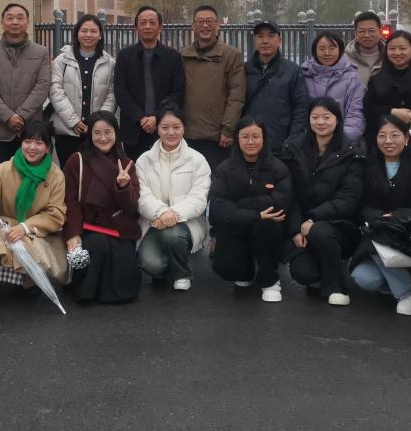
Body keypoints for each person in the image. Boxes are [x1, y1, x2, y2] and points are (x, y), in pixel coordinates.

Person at [350, 115, 411, 315]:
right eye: (382, 136)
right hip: (376, 239)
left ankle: (406, 293)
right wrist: (379, 219)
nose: (388, 141)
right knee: (364, 278)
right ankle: (405, 286)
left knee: (381, 236)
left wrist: (396, 217)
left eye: (394, 135)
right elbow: (360, 205)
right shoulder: (367, 169)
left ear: (406, 138)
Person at [0, 118, 67, 296]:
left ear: (47, 147)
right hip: (4, 224)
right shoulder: (5, 168)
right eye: (27, 141)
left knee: (24, 244)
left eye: (39, 143)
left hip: (36, 231)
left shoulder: (56, 175)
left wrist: (25, 227)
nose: (32, 147)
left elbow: (56, 214)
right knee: (1, 240)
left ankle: (27, 281)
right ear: (21, 143)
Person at [281, 96, 364, 306]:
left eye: (327, 117)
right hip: (302, 225)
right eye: (315, 117)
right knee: (305, 274)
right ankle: (324, 267)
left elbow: (349, 199)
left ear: (337, 119)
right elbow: (290, 194)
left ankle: (337, 287)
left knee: (319, 231)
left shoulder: (351, 152)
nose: (320, 122)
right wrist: (296, 229)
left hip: (339, 225)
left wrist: (313, 219)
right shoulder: (294, 148)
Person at [209, 116, 292, 302]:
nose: (250, 142)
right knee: (230, 269)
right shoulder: (224, 169)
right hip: (237, 225)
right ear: (237, 139)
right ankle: (245, 270)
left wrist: (240, 205)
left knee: (267, 225)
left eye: (256, 136)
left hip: (267, 227)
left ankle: (269, 279)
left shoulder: (278, 168)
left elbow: (279, 202)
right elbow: (219, 205)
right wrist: (256, 214)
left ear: (264, 138)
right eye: (245, 137)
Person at [62, 111, 142, 304]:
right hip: (87, 227)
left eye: (108, 132)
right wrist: (74, 233)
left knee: (122, 256)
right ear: (89, 134)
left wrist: (123, 187)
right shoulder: (77, 160)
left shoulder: (126, 163)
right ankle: (86, 292)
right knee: (99, 245)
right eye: (97, 133)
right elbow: (70, 201)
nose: (103, 138)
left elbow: (132, 207)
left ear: (116, 134)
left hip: (118, 227)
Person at [135, 102, 211, 291]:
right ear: (157, 129)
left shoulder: (197, 160)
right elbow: (141, 195)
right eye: (165, 127)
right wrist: (161, 213)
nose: (171, 132)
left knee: (173, 234)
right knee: (151, 265)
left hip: (185, 223)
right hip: (153, 223)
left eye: (176, 127)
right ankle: (167, 265)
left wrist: (171, 215)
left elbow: (198, 199)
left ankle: (181, 273)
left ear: (184, 128)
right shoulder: (144, 160)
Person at [0, 3, 50, 164]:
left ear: (28, 22)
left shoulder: (41, 52)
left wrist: (22, 115)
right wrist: (8, 116)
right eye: (10, 18)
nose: (15, 22)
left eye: (20, 18)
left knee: (32, 174)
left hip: (32, 129)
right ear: (2, 23)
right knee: (0, 174)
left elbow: (43, 85)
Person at [114, 6, 185, 160]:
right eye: (143, 22)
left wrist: (157, 117)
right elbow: (120, 91)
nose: (147, 26)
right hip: (133, 129)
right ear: (136, 27)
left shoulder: (173, 57)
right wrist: (140, 117)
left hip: (165, 128)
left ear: (160, 27)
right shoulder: (125, 56)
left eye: (152, 22)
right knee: (135, 170)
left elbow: (178, 92)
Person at [180, 5, 246, 170]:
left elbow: (236, 95)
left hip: (218, 138)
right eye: (200, 21)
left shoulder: (231, 55)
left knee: (217, 180)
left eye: (209, 21)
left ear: (217, 25)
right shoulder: (183, 55)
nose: (205, 25)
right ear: (193, 26)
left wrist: (228, 129)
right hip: (187, 136)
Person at [50, 14, 117, 168]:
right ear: (77, 33)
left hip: (97, 133)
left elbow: (112, 94)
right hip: (67, 131)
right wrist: (73, 121)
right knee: (69, 173)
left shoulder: (109, 63)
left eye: (93, 31)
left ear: (100, 35)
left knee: (96, 174)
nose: (88, 35)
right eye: (84, 30)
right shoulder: (62, 60)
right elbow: (55, 90)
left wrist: (99, 123)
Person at [242, 20, 309, 157]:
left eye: (270, 36)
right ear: (254, 40)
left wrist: (292, 142)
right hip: (249, 143)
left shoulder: (292, 70)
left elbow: (301, 108)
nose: (265, 41)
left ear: (279, 40)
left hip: (280, 144)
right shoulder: (243, 69)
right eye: (260, 36)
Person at [301, 31, 365, 139]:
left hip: (342, 140)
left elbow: (355, 114)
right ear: (315, 51)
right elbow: (298, 113)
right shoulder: (304, 75)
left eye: (332, 48)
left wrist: (340, 140)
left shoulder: (352, 78)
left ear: (340, 50)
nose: (327, 53)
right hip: (308, 140)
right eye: (322, 49)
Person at [345, 11, 387, 86]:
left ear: (380, 33)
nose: (367, 35)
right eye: (362, 31)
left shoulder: (390, 58)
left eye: (371, 30)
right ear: (355, 34)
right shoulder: (344, 61)